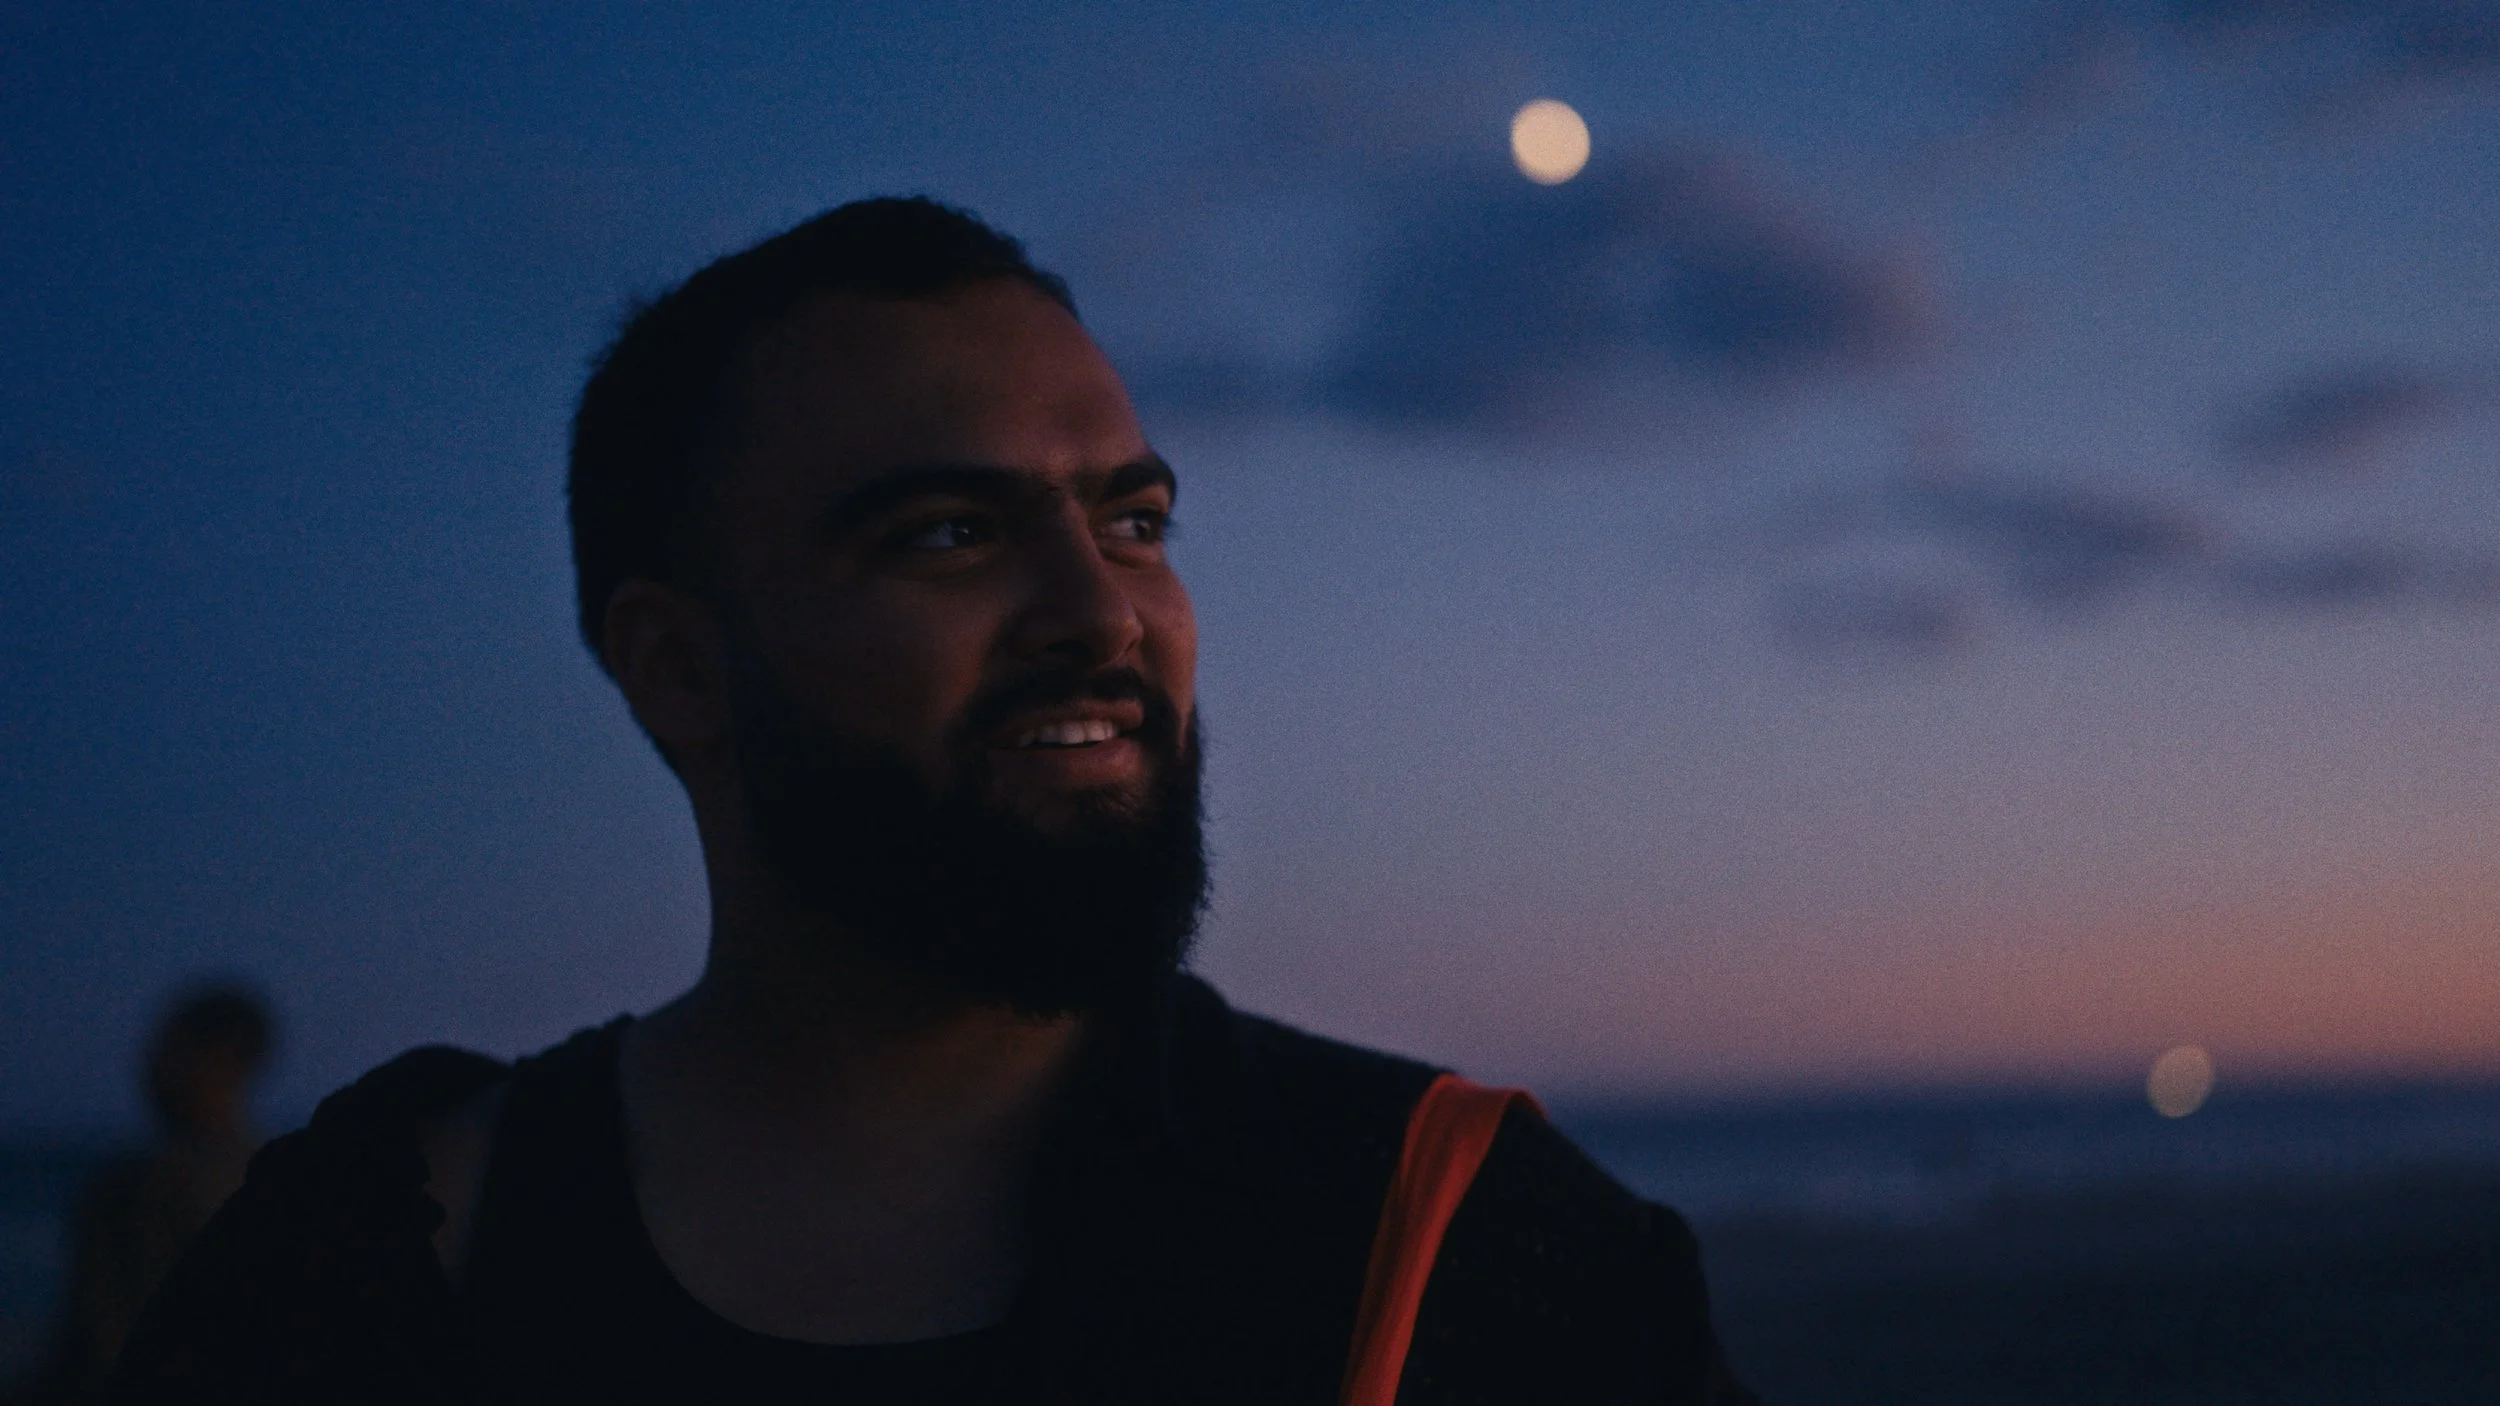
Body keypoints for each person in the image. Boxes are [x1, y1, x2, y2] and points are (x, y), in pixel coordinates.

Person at [113, 198, 1754, 1404]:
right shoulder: (383, 1259)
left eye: (1132, 521)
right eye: (950, 535)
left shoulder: (1473, 1250)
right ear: (679, 668)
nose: (1101, 614)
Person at [15, 985, 272, 1403]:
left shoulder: (140, 1185)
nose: (148, 1066)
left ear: (219, 1059)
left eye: (165, 1049)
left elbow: (97, 1341)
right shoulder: (277, 1179)